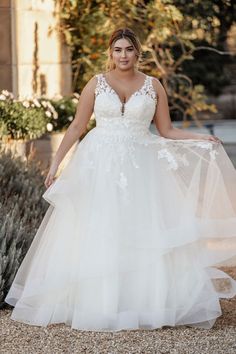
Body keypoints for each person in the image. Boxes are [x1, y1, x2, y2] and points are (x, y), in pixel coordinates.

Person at [5, 28, 236, 331]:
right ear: (110, 53)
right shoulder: (96, 83)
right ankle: (96, 305)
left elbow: (166, 130)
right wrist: (55, 165)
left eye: (128, 49)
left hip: (142, 167)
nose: (123, 55)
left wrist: (200, 139)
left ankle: (142, 304)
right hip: (98, 165)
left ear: (138, 52)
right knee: (98, 228)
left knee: (141, 227)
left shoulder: (153, 86)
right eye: (118, 50)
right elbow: (76, 126)